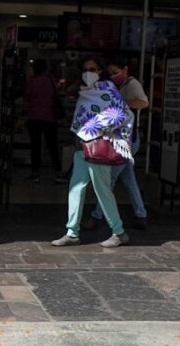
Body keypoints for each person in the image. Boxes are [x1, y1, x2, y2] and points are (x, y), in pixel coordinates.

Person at [50, 56, 133, 249]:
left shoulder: (106, 88)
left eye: (93, 69)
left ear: (100, 71)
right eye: (85, 69)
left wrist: (95, 128)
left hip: (97, 147)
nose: (89, 73)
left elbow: (120, 113)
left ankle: (119, 232)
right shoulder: (85, 91)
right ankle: (72, 232)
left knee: (102, 190)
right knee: (76, 189)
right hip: (82, 148)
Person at [83, 57, 150, 230]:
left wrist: (120, 103)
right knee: (129, 180)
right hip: (125, 139)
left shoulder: (132, 85)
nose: (113, 76)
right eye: (111, 74)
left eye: (116, 72)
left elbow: (144, 102)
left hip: (127, 140)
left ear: (125, 69)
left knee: (109, 180)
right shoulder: (120, 86)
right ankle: (141, 214)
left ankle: (96, 216)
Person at [24, 59, 62, 183]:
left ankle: (35, 173)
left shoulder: (32, 81)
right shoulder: (50, 80)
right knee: (52, 145)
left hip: (34, 116)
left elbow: (27, 96)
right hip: (49, 116)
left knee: (35, 146)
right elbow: (55, 94)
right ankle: (57, 172)